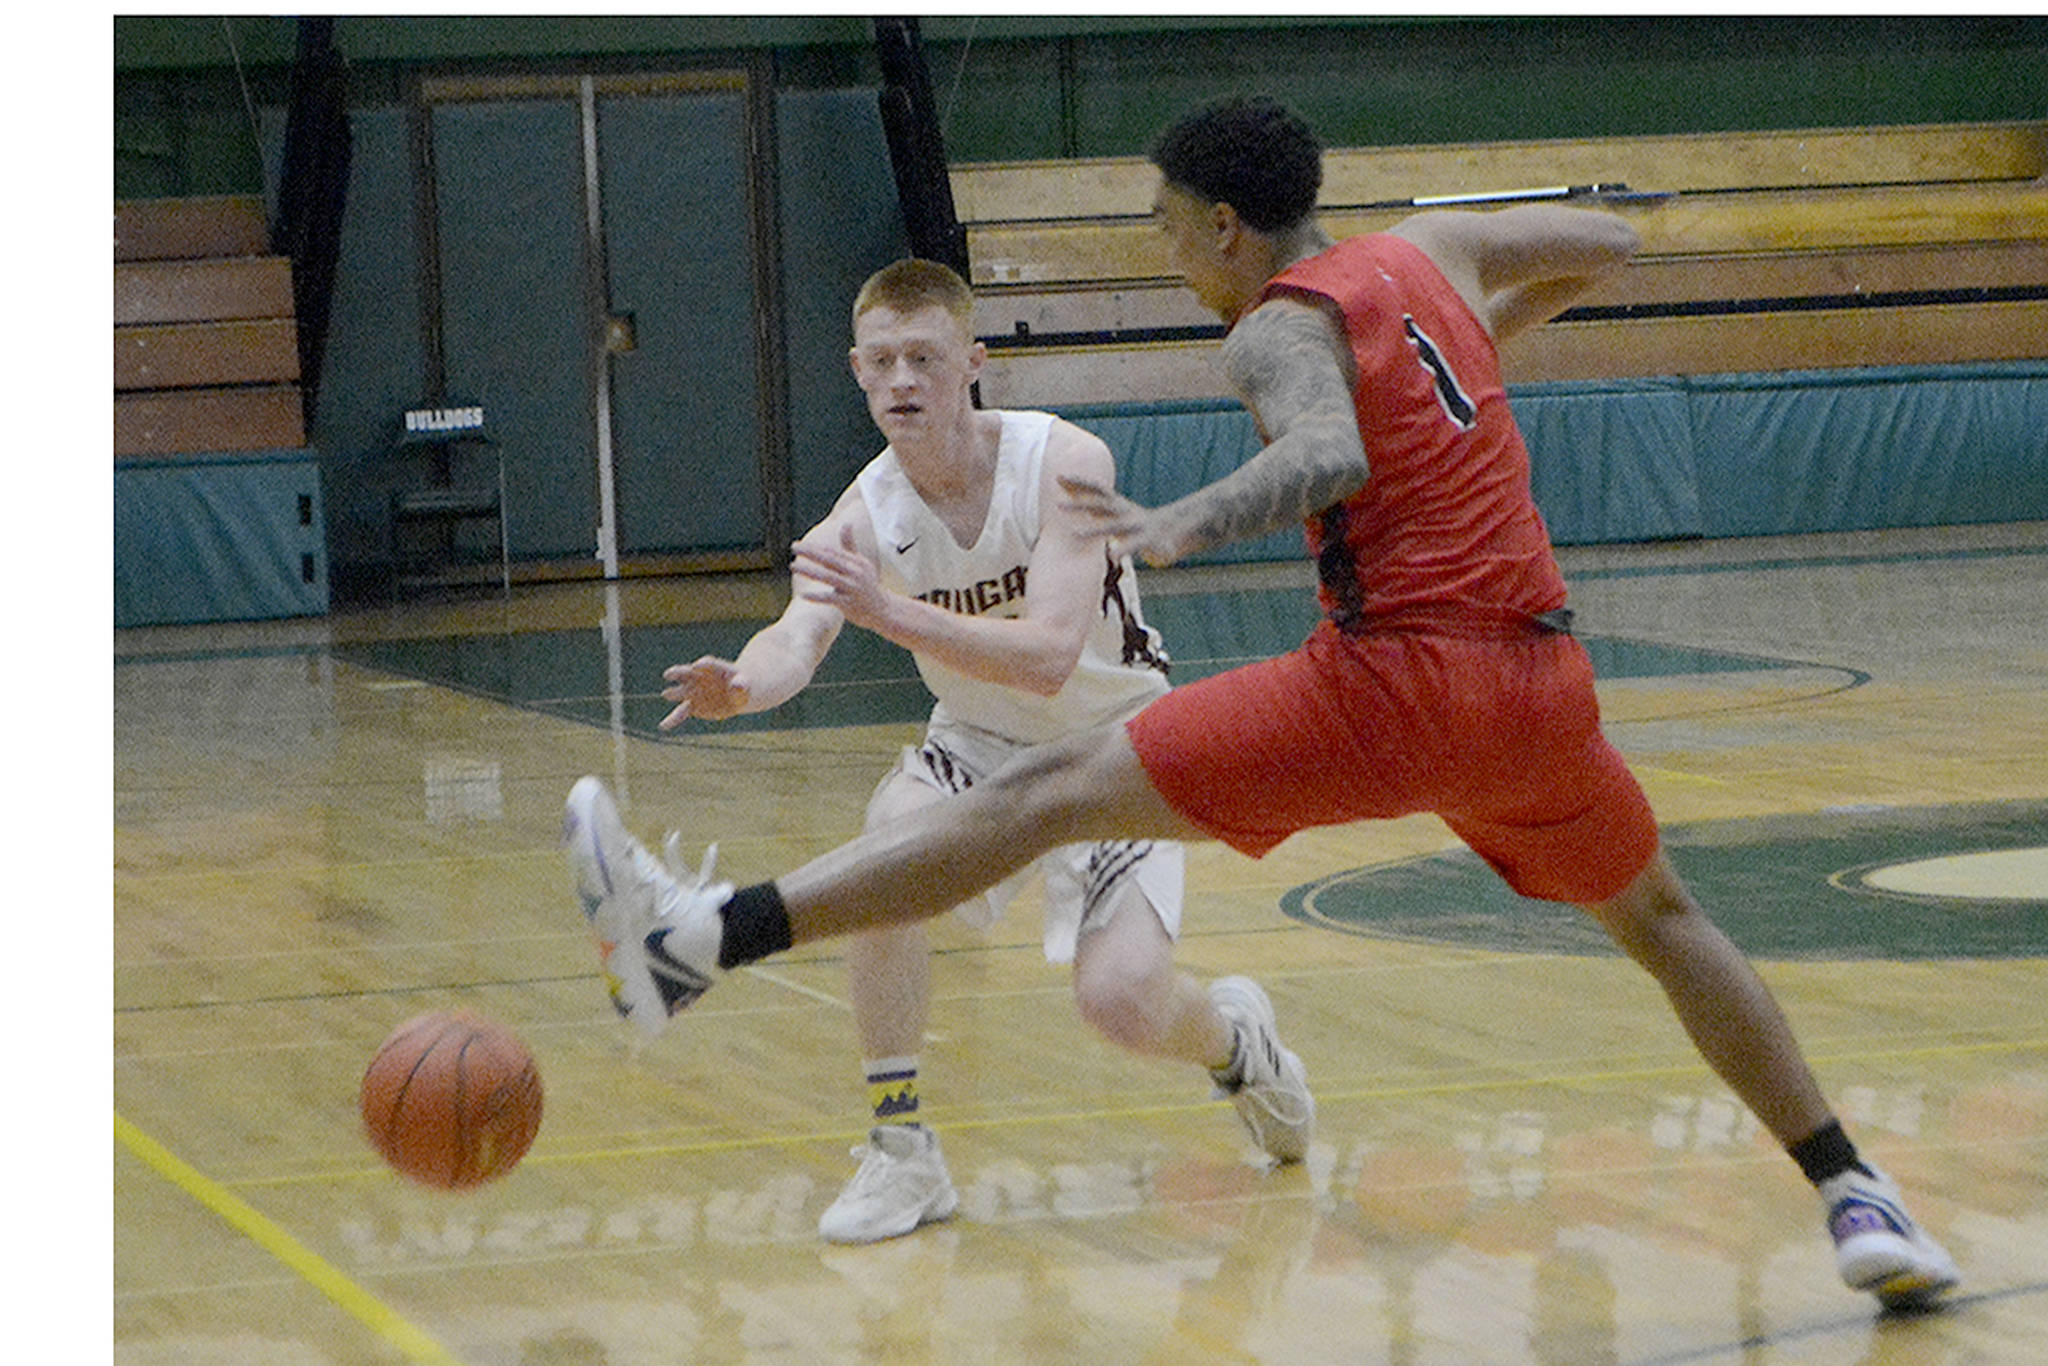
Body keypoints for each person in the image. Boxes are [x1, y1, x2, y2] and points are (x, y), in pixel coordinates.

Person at [565, 98, 1959, 1307]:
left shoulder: (1276, 329)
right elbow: (1613, 241)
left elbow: (1329, 450)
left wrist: (1183, 517)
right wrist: (1469, 328)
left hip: (1397, 679)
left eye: (1170, 227)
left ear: (1231, 226)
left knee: (1039, 793)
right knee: (1664, 921)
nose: (1168, 254)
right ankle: (1854, 1188)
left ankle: (702, 939)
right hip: (1542, 686)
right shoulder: (1434, 257)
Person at [566, 257, 1313, 1246]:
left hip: (1112, 752)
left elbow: (1048, 657)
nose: (902, 379)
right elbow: (798, 635)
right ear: (858, 373)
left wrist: (889, 610)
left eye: (923, 356)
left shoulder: (1063, 461)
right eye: (882, 362)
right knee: (888, 844)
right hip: (976, 747)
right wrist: (745, 682)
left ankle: (1233, 1044)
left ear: (973, 362)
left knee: (1121, 1003)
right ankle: (900, 1146)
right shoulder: (861, 514)